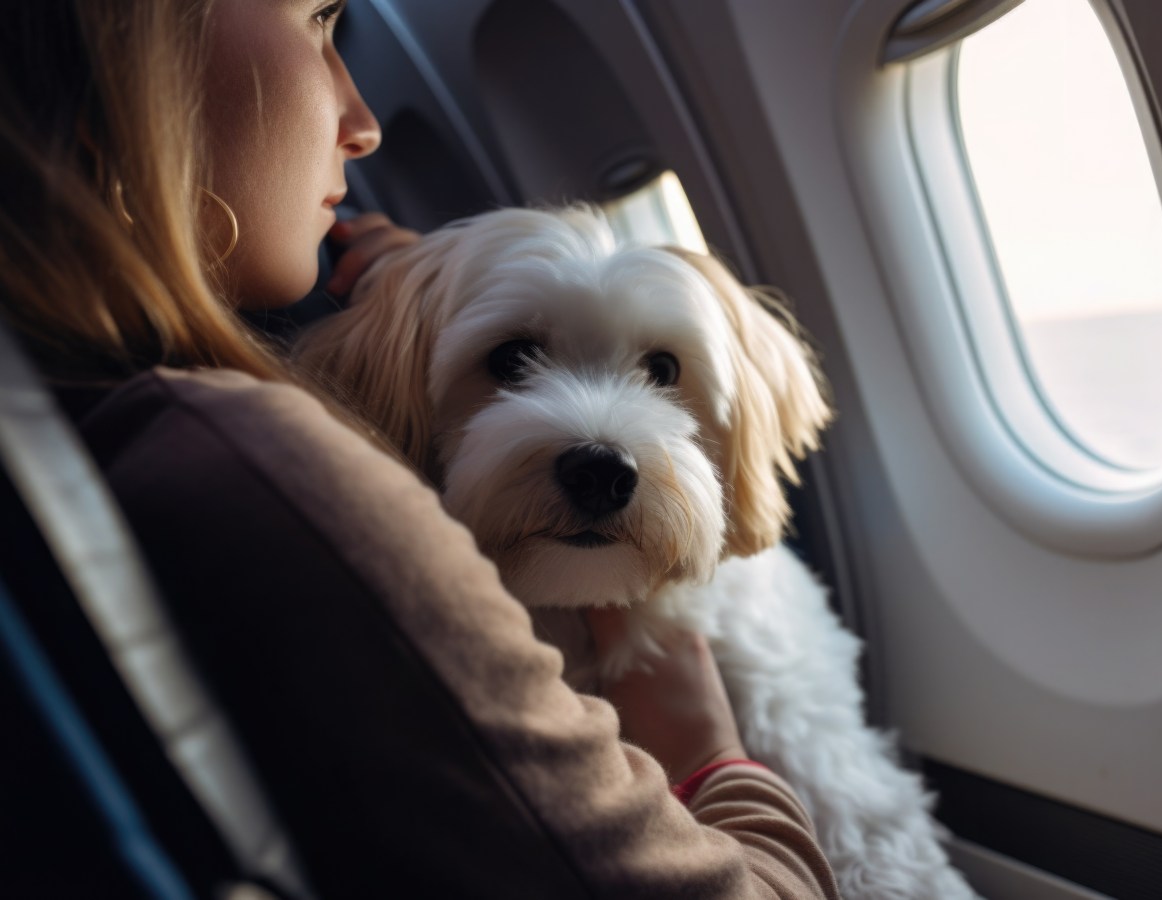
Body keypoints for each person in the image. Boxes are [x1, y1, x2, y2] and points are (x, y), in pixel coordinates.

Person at [0, 1, 839, 897]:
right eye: (318, 21)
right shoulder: (267, 469)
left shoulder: (89, 423)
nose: (361, 127)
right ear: (133, 63)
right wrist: (710, 756)